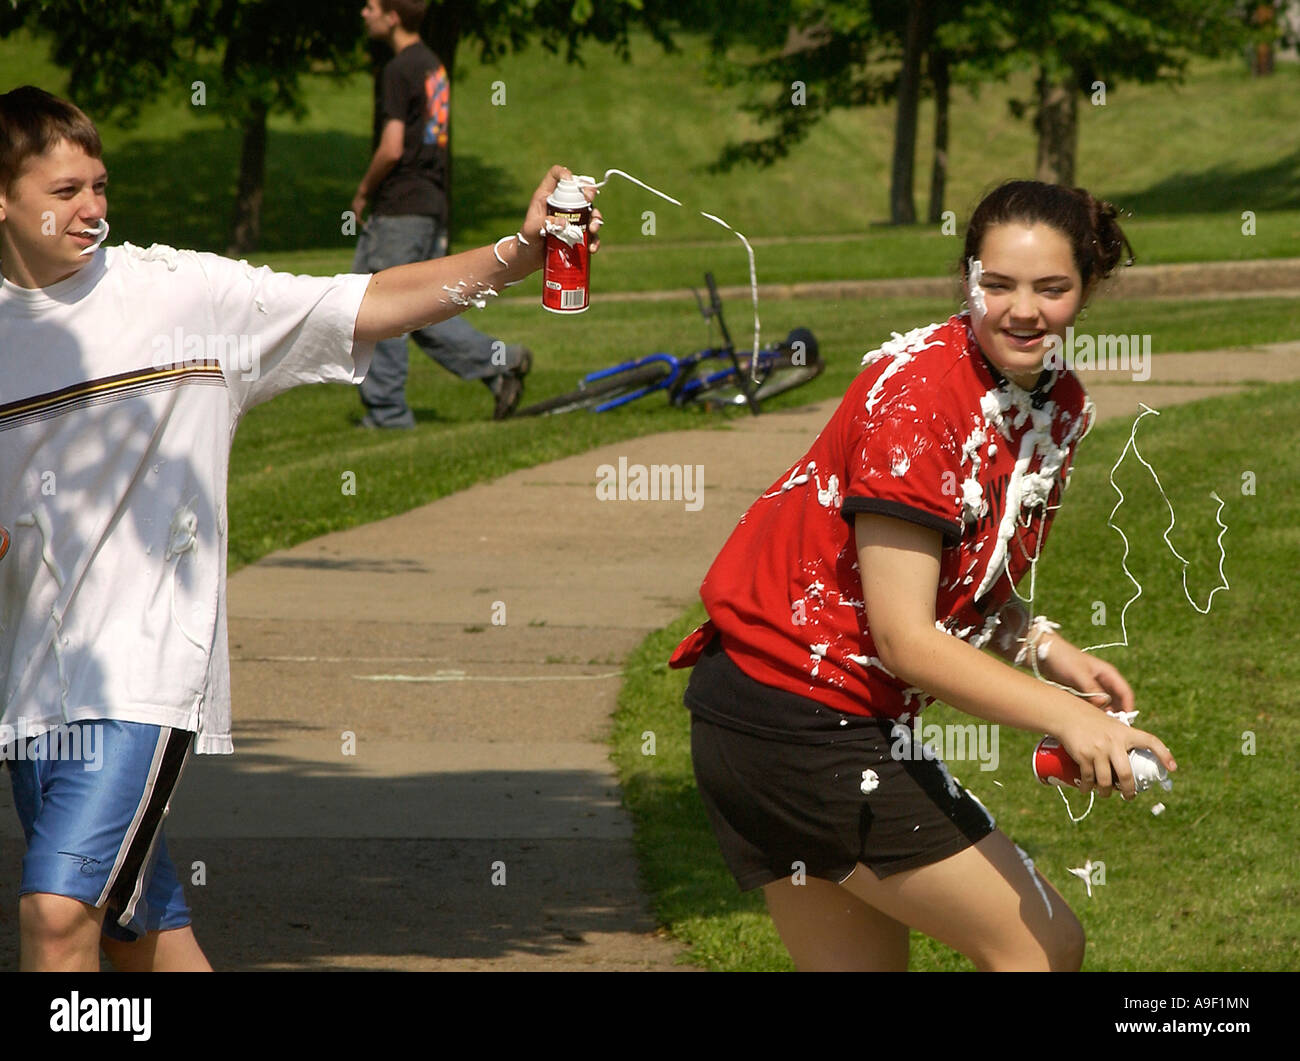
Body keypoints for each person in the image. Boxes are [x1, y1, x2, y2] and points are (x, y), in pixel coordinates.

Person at [0, 83, 598, 971]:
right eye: (65, 192)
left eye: (101, 186)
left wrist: (517, 254)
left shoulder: (185, 297)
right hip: (31, 688)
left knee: (56, 916)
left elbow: (375, 299)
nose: (93, 210)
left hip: (141, 674)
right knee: (143, 933)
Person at [668, 179, 1177, 972]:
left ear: (1088, 287)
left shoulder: (1057, 404)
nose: (1023, 309)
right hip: (794, 718)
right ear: (968, 276)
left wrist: (1046, 649)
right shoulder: (920, 400)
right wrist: (1067, 717)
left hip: (777, 717)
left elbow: (956, 578)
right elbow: (906, 638)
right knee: (1042, 947)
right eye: (998, 283)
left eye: (1052, 288)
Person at [352, 0, 532, 425]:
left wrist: (362, 191)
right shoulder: (433, 65)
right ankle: (501, 363)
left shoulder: (398, 70)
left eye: (372, 6)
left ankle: (388, 413)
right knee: (422, 305)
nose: (364, 12)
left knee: (377, 306)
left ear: (392, 16)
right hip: (431, 200)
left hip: (401, 206)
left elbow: (393, 145)